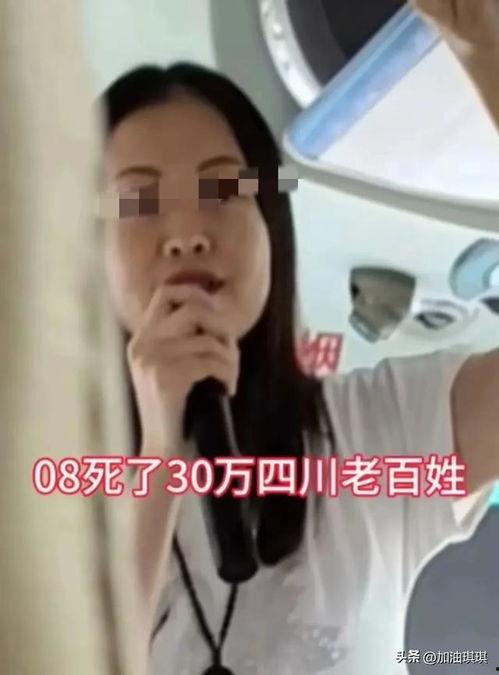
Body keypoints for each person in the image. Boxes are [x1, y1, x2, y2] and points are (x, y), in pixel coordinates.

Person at [98, 1, 499, 673]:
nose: (187, 233)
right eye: (139, 202)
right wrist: (162, 457)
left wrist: (484, 54)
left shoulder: (381, 433)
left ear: (271, 228)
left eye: (223, 190)